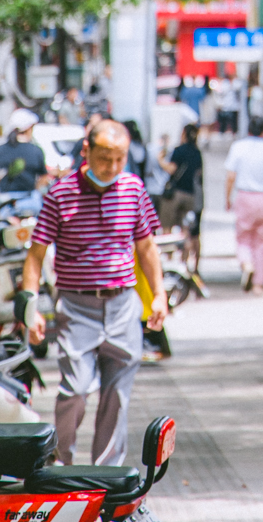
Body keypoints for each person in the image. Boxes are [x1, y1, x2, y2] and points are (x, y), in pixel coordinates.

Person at [21, 118, 167, 466]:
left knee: (117, 395)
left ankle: (107, 474)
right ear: (86, 151)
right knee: (76, 390)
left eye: (120, 159)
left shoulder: (133, 189)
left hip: (123, 305)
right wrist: (30, 308)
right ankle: (61, 465)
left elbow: (147, 247)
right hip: (76, 307)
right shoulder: (61, 194)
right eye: (105, 158)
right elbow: (36, 255)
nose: (112, 167)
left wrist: (159, 294)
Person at [225, 114, 263, 293]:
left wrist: (227, 198)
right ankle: (259, 283)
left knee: (243, 238)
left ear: (248, 129)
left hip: (244, 196)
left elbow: (230, 176)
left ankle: (246, 263)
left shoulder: (238, 147)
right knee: (260, 242)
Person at [0, 107, 48, 199]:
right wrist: (37, 190)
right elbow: (44, 177)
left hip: (4, 199)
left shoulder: (0, 150)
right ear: (28, 128)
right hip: (29, 198)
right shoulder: (36, 151)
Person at [161, 122, 204, 257]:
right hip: (190, 195)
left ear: (184, 134)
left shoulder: (179, 150)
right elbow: (199, 176)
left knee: (167, 227)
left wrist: (160, 160)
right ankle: (184, 259)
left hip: (176, 194)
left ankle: (168, 257)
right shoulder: (197, 153)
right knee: (186, 229)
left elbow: (172, 169)